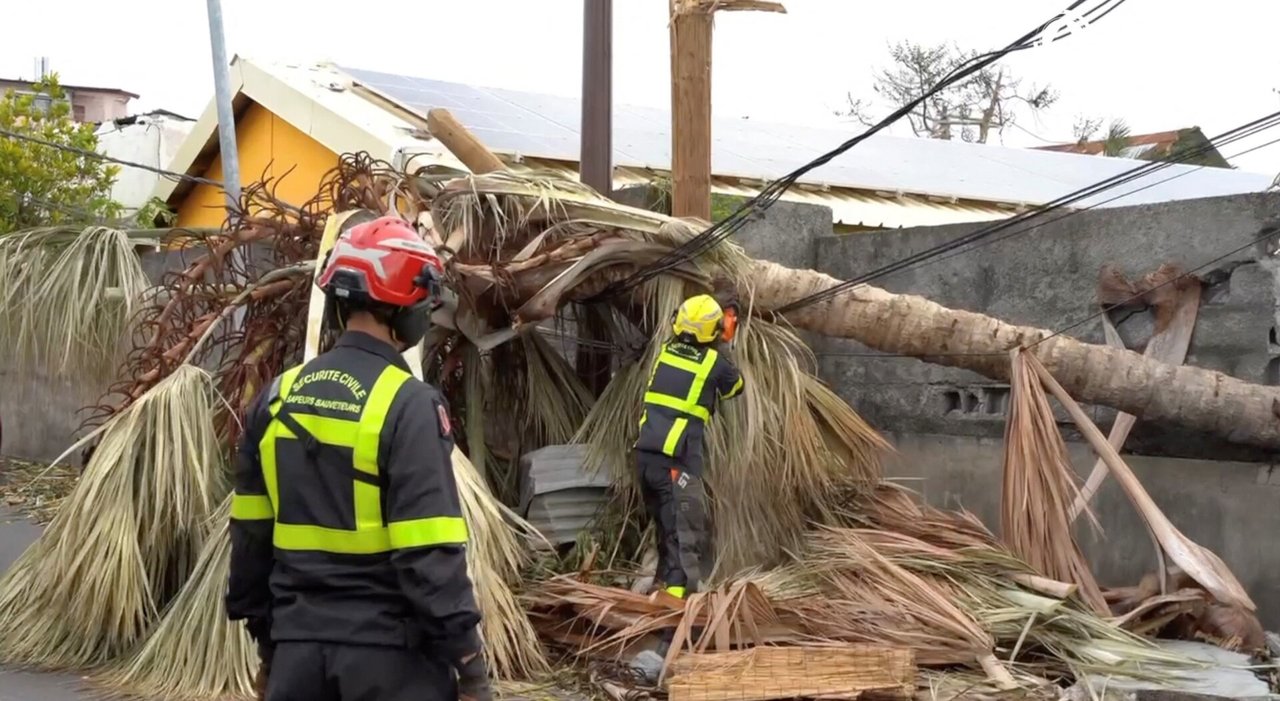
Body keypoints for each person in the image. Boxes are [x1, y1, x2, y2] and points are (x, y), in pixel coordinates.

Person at [226, 215, 492, 701]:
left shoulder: (278, 398)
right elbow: (428, 553)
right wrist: (470, 663)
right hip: (390, 663)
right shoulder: (408, 404)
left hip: (296, 656)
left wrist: (269, 649)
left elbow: (251, 541)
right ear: (403, 302)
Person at [633, 293, 745, 600]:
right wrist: (728, 340)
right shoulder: (714, 364)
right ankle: (674, 623)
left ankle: (658, 599)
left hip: (645, 462)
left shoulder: (665, 353)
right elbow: (735, 387)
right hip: (675, 466)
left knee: (666, 536)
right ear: (716, 331)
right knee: (685, 542)